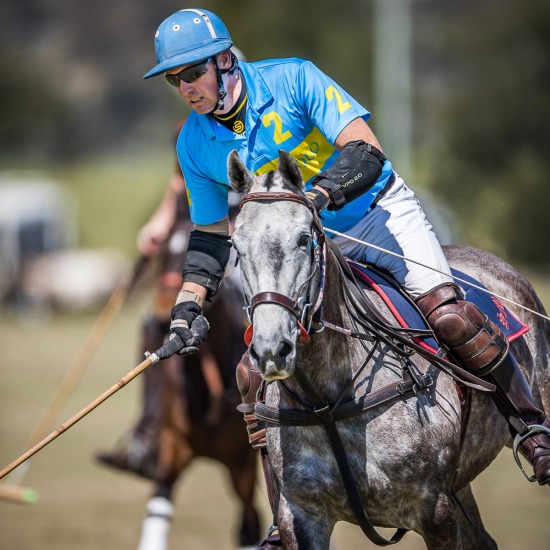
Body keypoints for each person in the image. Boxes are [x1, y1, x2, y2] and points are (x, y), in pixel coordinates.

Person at [142, 7, 550, 542]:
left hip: (375, 216)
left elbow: (365, 149)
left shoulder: (294, 79)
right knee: (252, 369)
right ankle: (281, 514)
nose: (185, 87)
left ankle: (530, 427)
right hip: (301, 247)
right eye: (174, 79)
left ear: (223, 60)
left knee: (448, 315)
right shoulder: (194, 142)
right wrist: (188, 308)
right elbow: (210, 235)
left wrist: (318, 197)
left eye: (192, 72)